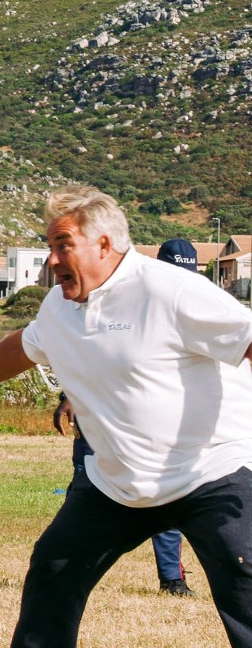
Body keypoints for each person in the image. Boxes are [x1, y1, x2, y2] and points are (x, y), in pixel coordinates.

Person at [0, 186, 252, 648]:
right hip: (116, 483)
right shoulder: (59, 308)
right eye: (48, 246)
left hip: (211, 472)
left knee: (245, 586)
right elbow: (21, 349)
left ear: (105, 244)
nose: (51, 260)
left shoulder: (168, 290)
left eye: (62, 245)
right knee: (54, 569)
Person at [49, 236, 204, 597]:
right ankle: (67, 573)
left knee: (166, 496)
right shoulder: (121, 299)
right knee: (85, 498)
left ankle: (172, 579)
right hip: (100, 421)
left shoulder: (196, 307)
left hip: (159, 428)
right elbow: (90, 352)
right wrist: (69, 396)